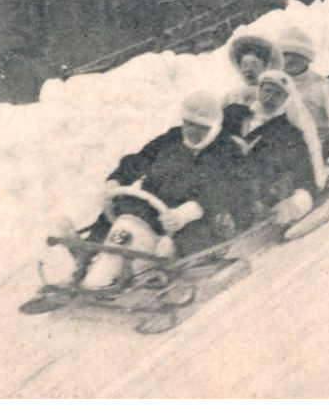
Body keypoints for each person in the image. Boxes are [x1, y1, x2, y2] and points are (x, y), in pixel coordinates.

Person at [47, 91, 239, 289]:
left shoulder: (226, 149)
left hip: (194, 217)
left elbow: (228, 187)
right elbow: (140, 159)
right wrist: (117, 179)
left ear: (214, 127)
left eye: (201, 128)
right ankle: (87, 256)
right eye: (188, 123)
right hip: (156, 207)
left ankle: (165, 267)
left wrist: (191, 210)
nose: (192, 131)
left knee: (189, 234)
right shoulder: (172, 137)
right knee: (124, 207)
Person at [224, 69, 323, 228]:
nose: (270, 97)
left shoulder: (286, 128)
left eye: (277, 94)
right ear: (260, 90)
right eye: (267, 91)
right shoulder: (239, 116)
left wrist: (304, 196)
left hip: (268, 185)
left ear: (285, 99)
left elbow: (304, 159)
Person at [276, 26, 329, 189]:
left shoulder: (324, 87)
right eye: (285, 55)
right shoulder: (274, 88)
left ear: (307, 58)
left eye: (296, 55)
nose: (290, 60)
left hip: (319, 149)